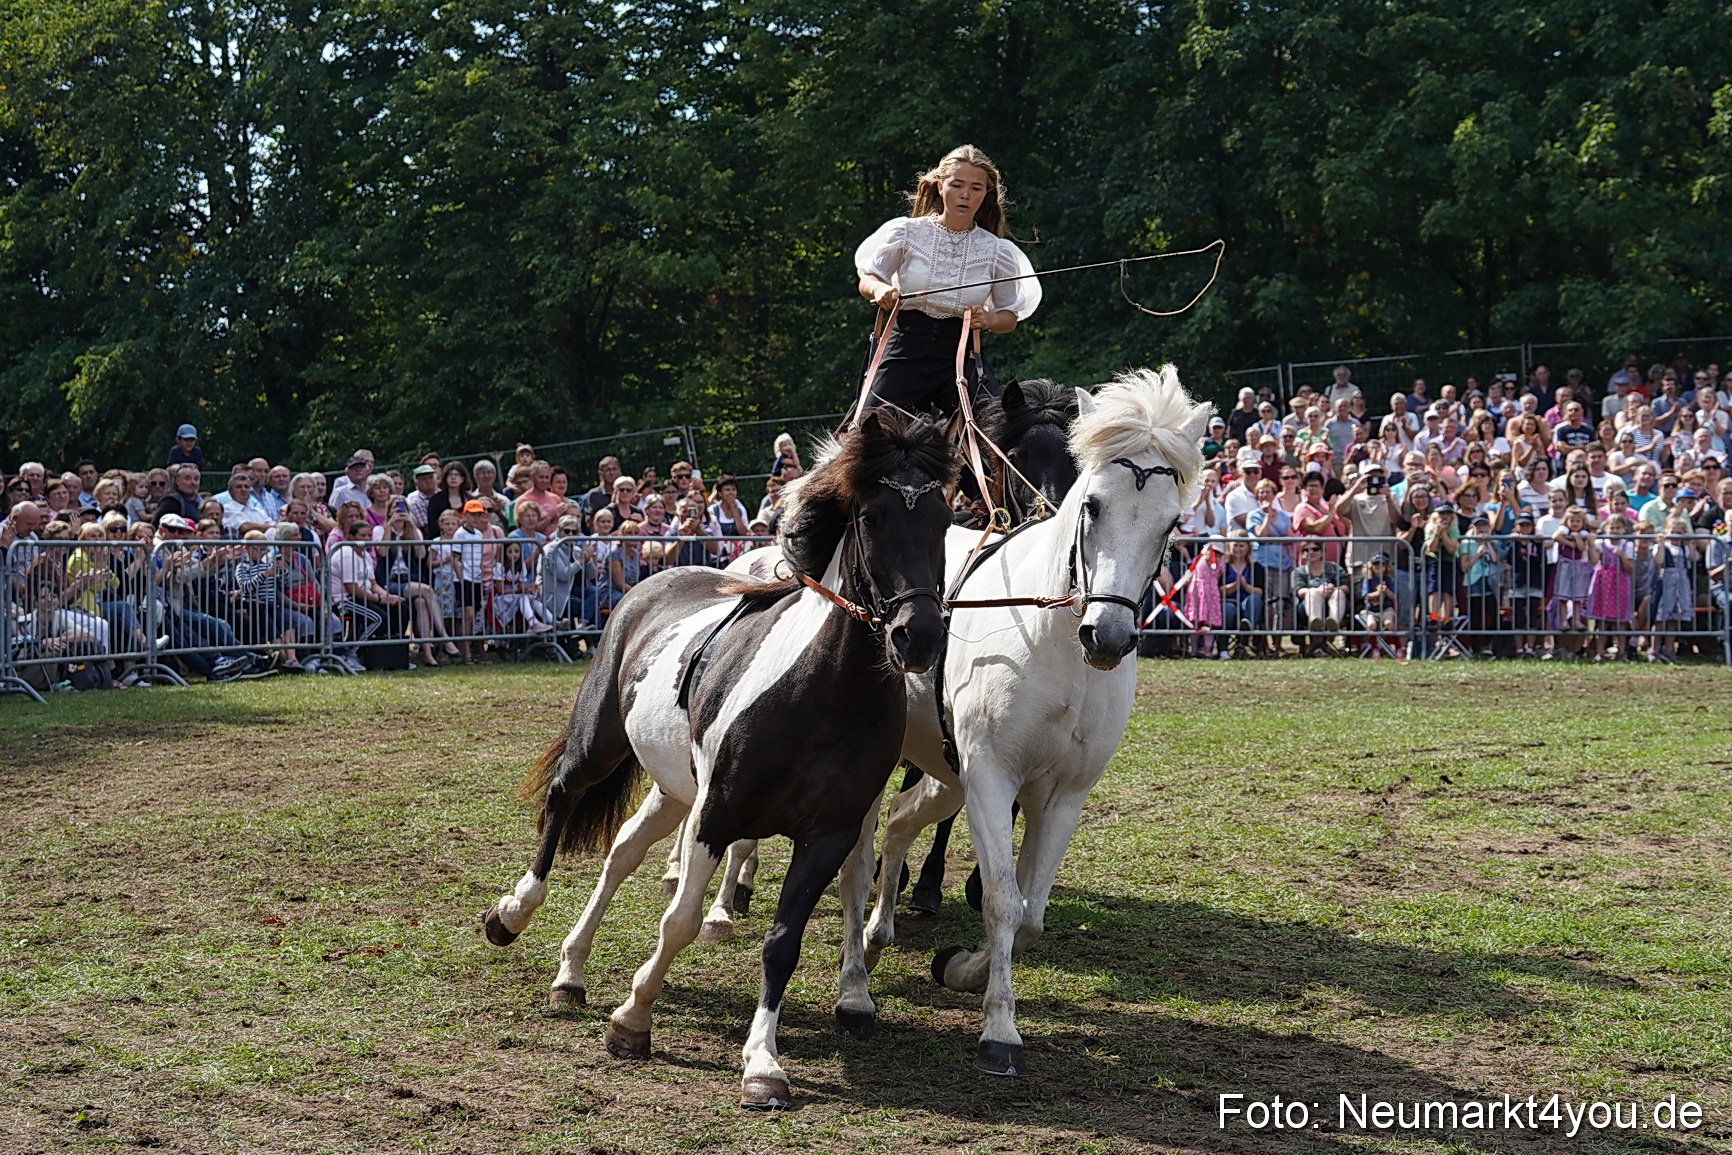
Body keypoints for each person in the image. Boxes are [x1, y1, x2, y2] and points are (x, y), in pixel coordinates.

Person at [855, 144, 1041, 415]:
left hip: (961, 356)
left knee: (1001, 423)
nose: (965, 195)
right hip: (904, 350)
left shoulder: (998, 251)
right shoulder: (905, 232)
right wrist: (879, 289)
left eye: (976, 188)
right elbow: (868, 279)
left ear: (985, 194)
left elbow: (1008, 317)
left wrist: (989, 320)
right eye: (957, 185)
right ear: (941, 187)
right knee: (870, 429)